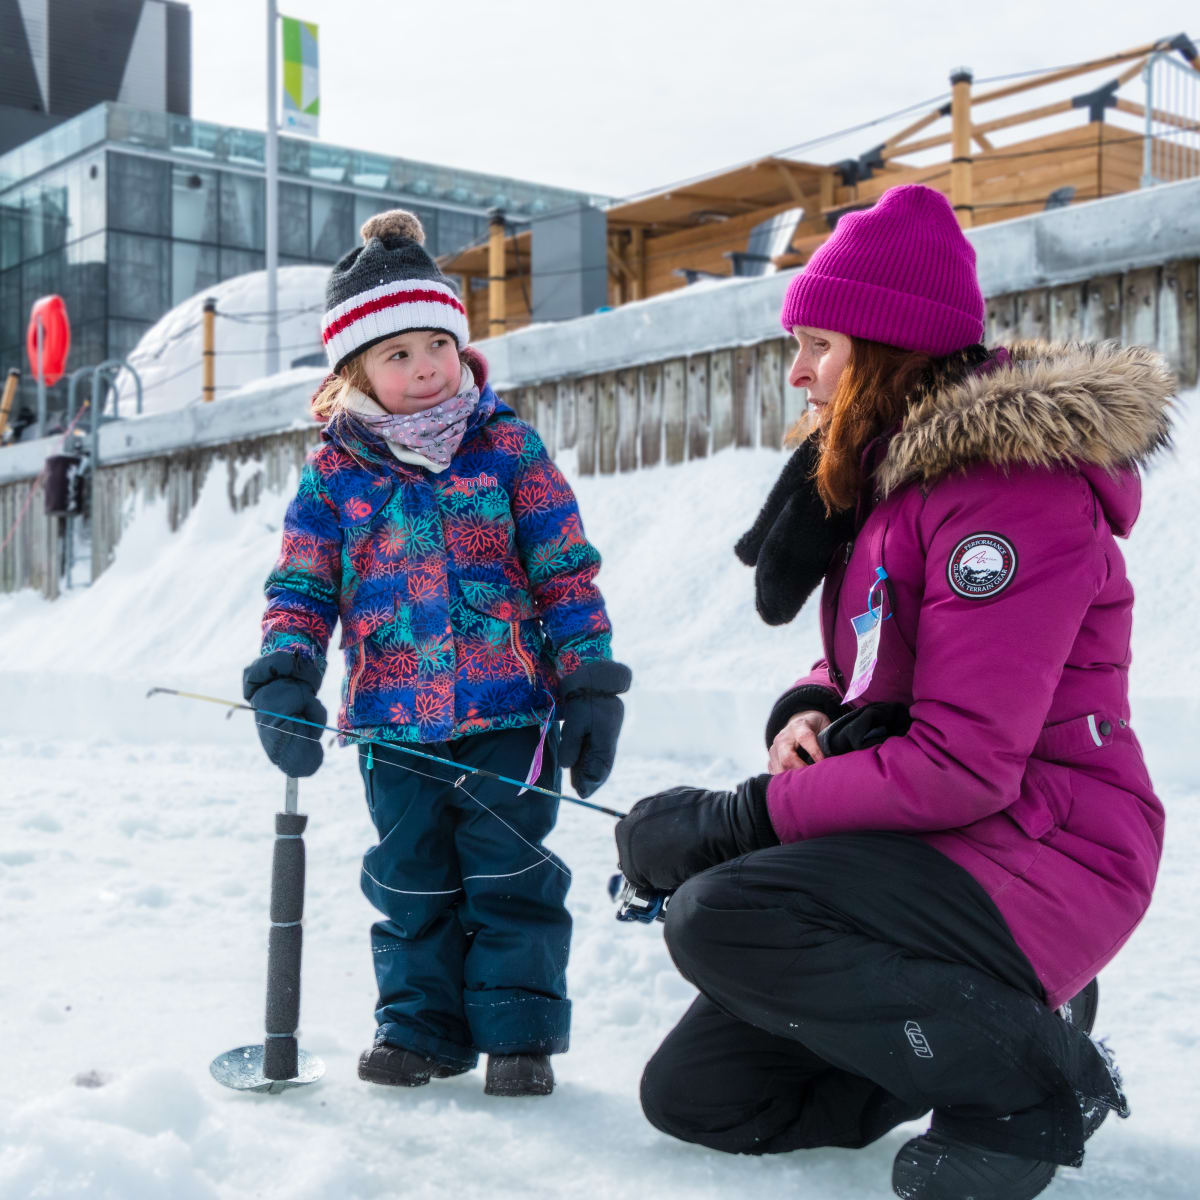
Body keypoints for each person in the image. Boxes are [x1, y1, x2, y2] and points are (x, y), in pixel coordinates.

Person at [615, 184, 1173, 1199]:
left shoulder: (1009, 496)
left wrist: (737, 821)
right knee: (701, 1098)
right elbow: (868, 660)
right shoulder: (898, 492)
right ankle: (1002, 1013)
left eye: (819, 347)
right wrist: (809, 710)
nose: (799, 374)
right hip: (937, 849)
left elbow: (964, 761)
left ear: (887, 348)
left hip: (1052, 844)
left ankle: (1029, 1089)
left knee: (720, 914)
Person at [245, 210, 631, 1098]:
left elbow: (565, 572)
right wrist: (286, 670)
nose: (424, 367)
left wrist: (590, 682)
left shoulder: (508, 449)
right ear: (355, 374)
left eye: (437, 345)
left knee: (513, 877)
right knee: (411, 880)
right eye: (397, 354)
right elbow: (301, 587)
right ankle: (419, 1030)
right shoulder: (332, 474)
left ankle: (520, 1036)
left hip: (509, 713)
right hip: (394, 725)